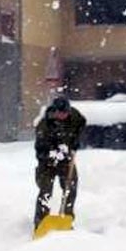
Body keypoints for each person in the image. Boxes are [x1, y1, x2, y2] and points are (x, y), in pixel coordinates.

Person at [34, 95, 86, 230]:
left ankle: (66, 218)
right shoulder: (44, 126)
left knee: (70, 187)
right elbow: (40, 150)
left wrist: (76, 139)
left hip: (66, 160)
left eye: (65, 113)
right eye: (60, 113)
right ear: (54, 111)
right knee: (45, 191)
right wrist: (53, 155)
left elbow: (82, 123)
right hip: (46, 163)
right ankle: (41, 222)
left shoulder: (74, 116)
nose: (63, 116)